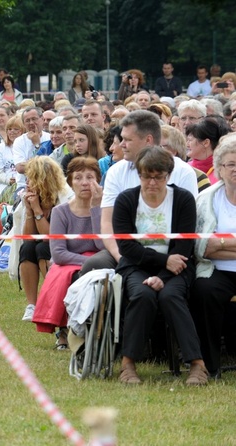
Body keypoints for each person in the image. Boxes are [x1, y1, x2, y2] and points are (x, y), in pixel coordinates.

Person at [113, 146, 207, 385]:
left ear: (168, 175)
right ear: (139, 175)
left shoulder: (183, 199)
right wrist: (163, 261)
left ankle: (197, 365)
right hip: (136, 265)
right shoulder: (126, 200)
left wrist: (164, 275)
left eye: (159, 176)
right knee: (142, 294)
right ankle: (128, 364)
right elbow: (126, 248)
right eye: (147, 176)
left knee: (171, 296)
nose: (152, 182)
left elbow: (183, 247)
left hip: (178, 265)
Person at [92, 110, 199, 274]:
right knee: (92, 265)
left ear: (148, 140)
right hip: (126, 252)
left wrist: (166, 264)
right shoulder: (116, 172)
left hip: (173, 255)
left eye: (127, 140)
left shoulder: (183, 171)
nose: (121, 144)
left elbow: (187, 229)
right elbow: (107, 223)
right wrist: (122, 258)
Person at [32, 157, 104, 346]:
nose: (85, 183)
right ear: (71, 182)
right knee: (63, 274)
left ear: (98, 180)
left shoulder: (105, 210)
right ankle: (63, 330)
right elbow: (58, 253)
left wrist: (95, 208)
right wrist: (87, 262)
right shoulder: (60, 212)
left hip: (98, 258)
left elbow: (102, 245)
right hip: (68, 261)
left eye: (90, 177)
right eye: (78, 178)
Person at [193, 133, 236, 377]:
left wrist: (219, 242)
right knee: (203, 291)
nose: (235, 169)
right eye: (231, 164)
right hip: (215, 269)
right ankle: (209, 364)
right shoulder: (206, 199)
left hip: (220, 259)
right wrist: (217, 245)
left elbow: (212, 243)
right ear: (219, 168)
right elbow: (201, 247)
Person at [19, 156, 75, 322]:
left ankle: (51, 298)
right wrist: (30, 211)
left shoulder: (64, 197)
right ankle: (32, 305)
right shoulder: (31, 196)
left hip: (67, 245)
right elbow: (27, 237)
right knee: (28, 248)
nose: (28, 182)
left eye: (32, 178)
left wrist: (37, 210)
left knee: (43, 249)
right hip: (43, 242)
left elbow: (52, 237)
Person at [12, 107, 51, 191]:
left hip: (49, 183)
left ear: (42, 119)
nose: (31, 123)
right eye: (27, 120)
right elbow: (20, 168)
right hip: (24, 186)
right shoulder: (19, 141)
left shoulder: (50, 137)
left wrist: (37, 144)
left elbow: (54, 165)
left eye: (34, 119)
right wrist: (37, 146)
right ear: (23, 123)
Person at [185, 117, 230, 184]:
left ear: (206, 143)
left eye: (190, 140)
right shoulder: (185, 168)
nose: (187, 144)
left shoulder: (222, 170)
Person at [0, 115, 24, 195]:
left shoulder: (27, 146)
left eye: (16, 129)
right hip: (7, 186)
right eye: (9, 129)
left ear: (23, 131)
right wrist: (9, 180)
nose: (12, 132)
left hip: (25, 183)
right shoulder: (0, 148)